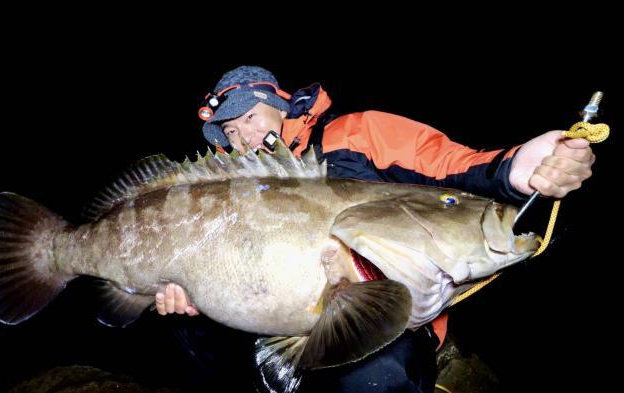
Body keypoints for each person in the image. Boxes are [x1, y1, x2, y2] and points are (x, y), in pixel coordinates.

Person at [155, 66, 595, 392]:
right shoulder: (227, 184)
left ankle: (442, 362)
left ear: (282, 104)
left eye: (250, 116)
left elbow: (454, 168)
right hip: (270, 329)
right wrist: (190, 294)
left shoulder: (357, 133)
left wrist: (514, 169)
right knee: (191, 340)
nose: (243, 136)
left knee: (375, 380)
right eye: (230, 129)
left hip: (387, 323)